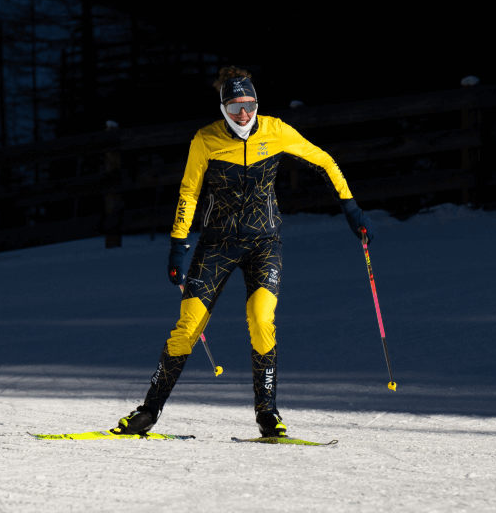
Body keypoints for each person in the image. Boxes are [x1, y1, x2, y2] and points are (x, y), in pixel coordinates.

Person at [111, 66, 372, 439]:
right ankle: (148, 411)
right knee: (186, 329)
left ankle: (268, 414)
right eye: (235, 108)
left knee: (261, 319)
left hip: (264, 242)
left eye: (249, 105)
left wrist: (352, 210)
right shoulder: (206, 139)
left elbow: (325, 161)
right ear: (223, 109)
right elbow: (188, 193)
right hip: (215, 245)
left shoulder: (276, 130)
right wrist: (177, 248)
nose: (244, 115)